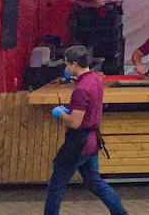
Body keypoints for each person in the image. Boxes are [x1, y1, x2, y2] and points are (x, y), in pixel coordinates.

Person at [45, 45, 128, 215]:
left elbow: (75, 123)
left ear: (75, 64)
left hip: (78, 142)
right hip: (92, 140)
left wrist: (61, 113)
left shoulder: (81, 90)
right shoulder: (96, 80)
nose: (66, 69)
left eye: (67, 65)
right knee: (95, 182)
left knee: (56, 187)